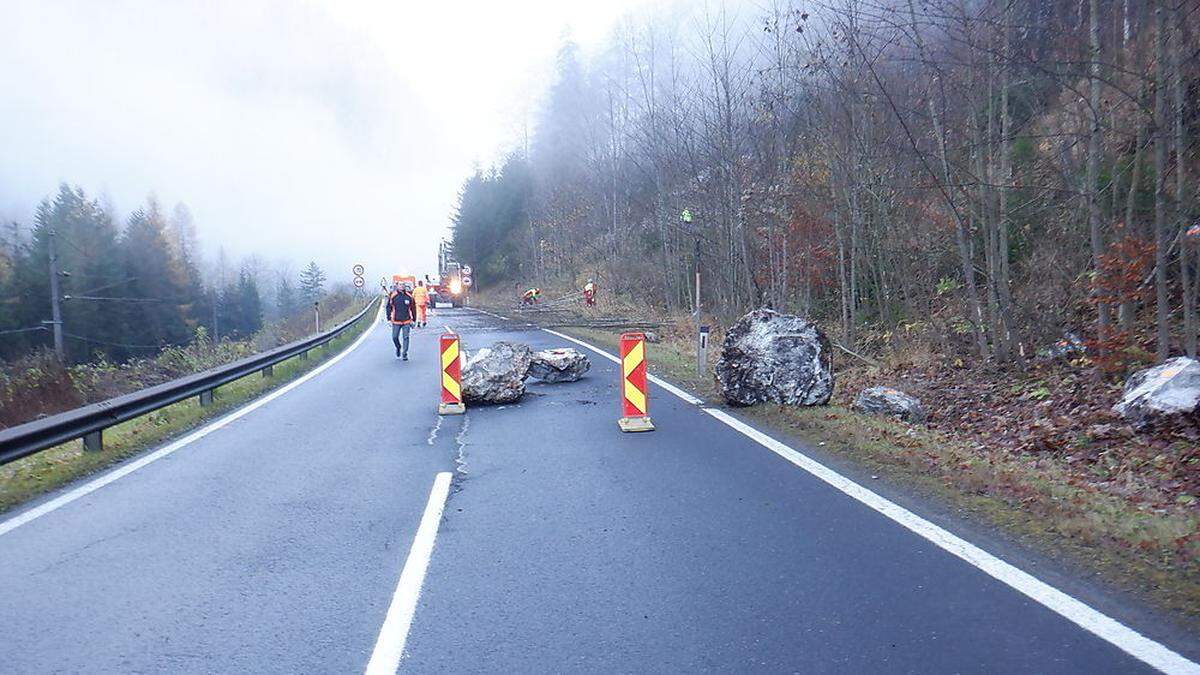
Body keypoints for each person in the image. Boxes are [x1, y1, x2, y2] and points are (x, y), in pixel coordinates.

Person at [386, 282, 417, 360]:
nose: (402, 286)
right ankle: (398, 347)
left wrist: (414, 320)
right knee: (394, 337)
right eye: (400, 285)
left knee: (406, 337)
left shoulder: (409, 296)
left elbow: (413, 308)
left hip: (406, 321)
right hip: (396, 321)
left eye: (403, 285)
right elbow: (388, 307)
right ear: (397, 286)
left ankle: (404, 354)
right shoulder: (393, 296)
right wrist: (389, 319)